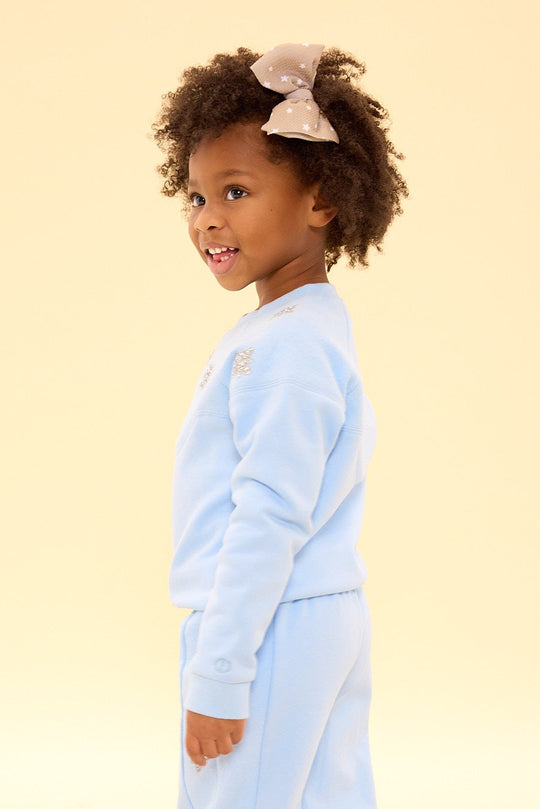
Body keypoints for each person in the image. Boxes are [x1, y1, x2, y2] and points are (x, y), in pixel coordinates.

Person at [153, 42, 407, 809]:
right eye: (196, 198)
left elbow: (266, 516)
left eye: (236, 190)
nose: (209, 219)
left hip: (269, 628)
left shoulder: (283, 346)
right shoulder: (311, 326)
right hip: (320, 614)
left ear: (322, 199)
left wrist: (221, 669)